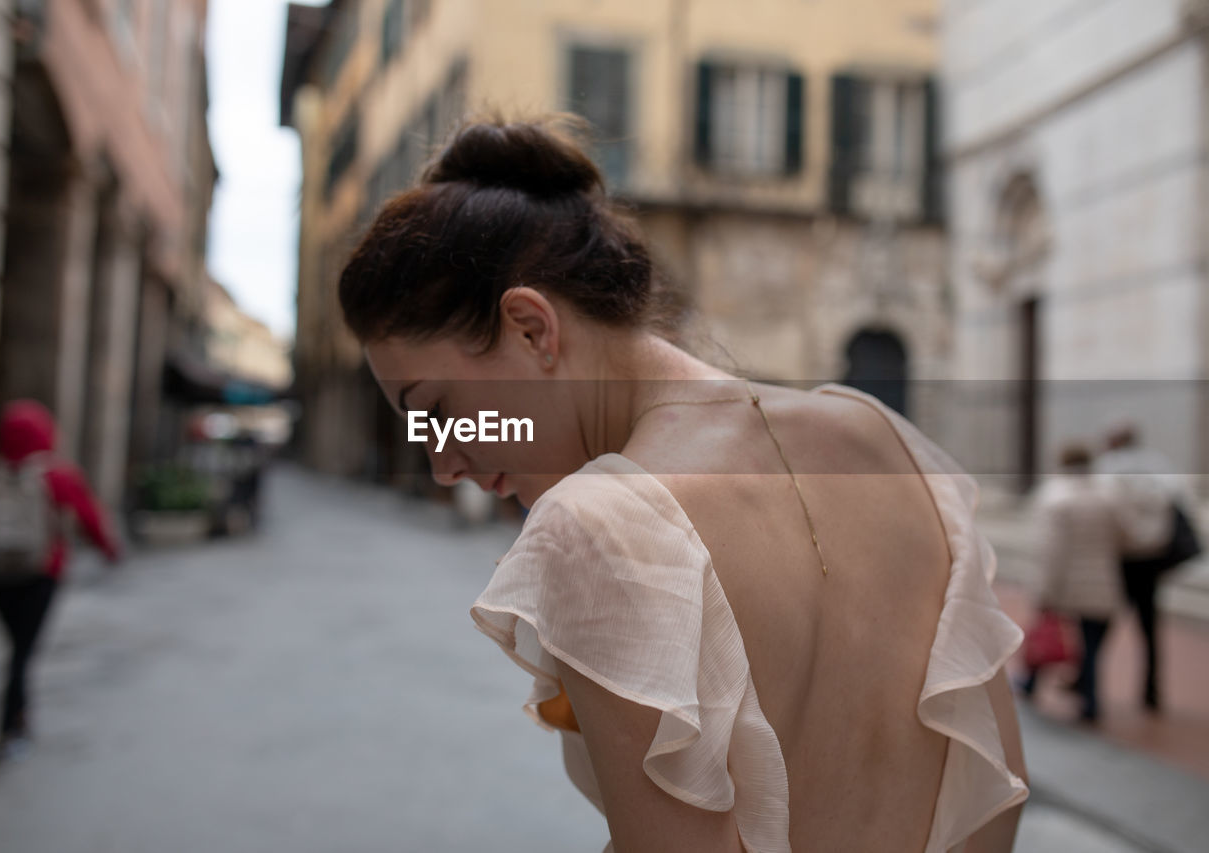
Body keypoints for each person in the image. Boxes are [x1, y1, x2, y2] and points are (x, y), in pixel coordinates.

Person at [338, 114, 1029, 852]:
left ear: (533, 327)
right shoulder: (880, 436)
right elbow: (998, 793)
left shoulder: (599, 524)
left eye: (435, 410)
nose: (443, 462)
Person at [0, 399, 120, 760]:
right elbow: (89, 516)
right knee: (22, 653)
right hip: (39, 574)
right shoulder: (57, 475)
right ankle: (11, 727)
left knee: (16, 648)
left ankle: (17, 720)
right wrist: (109, 551)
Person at [1021, 444, 1130, 723]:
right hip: (1103, 579)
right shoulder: (1109, 496)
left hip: (1067, 583)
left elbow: (1051, 550)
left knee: (1047, 634)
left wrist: (1045, 590)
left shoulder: (1054, 497)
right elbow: (1126, 537)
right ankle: (1091, 701)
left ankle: (1031, 683)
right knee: (1092, 646)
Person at [1095, 421, 1194, 711]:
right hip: (1152, 557)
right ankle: (1151, 690)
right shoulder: (1156, 465)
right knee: (1149, 627)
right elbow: (1176, 500)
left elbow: (1105, 511)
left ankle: (1088, 685)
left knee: (1103, 624)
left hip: (1122, 557)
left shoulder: (1107, 468)